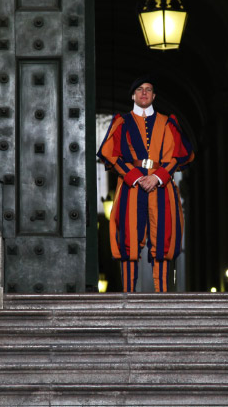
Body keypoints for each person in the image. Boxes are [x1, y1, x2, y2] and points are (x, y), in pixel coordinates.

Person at [97, 75, 194, 292]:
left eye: (148, 89)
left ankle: (161, 295)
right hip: (131, 185)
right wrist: (135, 177)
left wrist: (157, 177)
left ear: (154, 96)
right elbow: (111, 155)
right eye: (140, 89)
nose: (144, 93)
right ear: (133, 95)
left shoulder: (168, 122)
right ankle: (129, 295)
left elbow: (178, 155)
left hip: (161, 185)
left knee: (162, 239)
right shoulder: (121, 122)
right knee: (129, 238)